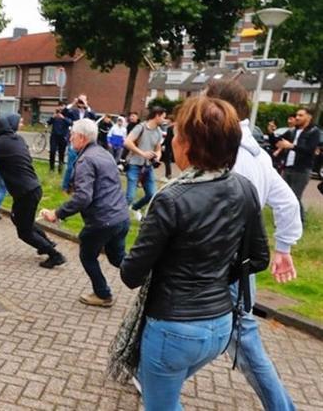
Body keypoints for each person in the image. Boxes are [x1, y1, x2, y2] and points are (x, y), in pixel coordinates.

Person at [119, 95, 269, 410]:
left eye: (176, 135)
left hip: (174, 329)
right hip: (220, 326)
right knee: (163, 394)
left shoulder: (171, 198)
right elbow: (259, 258)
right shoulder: (244, 187)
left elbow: (131, 275)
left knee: (160, 403)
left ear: (187, 145)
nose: (172, 140)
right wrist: (214, 274)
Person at [206, 80, 301, 411]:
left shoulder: (229, 151)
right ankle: (153, 374)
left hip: (221, 263)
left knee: (242, 340)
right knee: (215, 331)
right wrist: (284, 248)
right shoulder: (257, 153)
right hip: (241, 264)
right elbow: (288, 203)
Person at [40, 119, 130, 306]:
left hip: (102, 220)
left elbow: (83, 197)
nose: (69, 138)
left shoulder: (85, 160)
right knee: (118, 258)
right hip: (120, 216)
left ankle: (103, 295)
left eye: (72, 135)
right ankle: (151, 279)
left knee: (87, 255)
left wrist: (57, 213)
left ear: (81, 137)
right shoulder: (104, 153)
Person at [0, 114, 66, 268]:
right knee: (21, 221)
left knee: (24, 232)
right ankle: (46, 243)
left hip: (25, 193)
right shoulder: (17, 139)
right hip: (33, 189)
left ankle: (55, 255)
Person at [276, 107, 321, 224]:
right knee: (285, 195)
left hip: (302, 169)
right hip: (288, 167)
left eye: (301, 115)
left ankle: (300, 221)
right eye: (297, 115)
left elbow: (310, 150)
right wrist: (272, 133)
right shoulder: (293, 131)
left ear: (309, 117)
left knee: (295, 196)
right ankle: (285, 220)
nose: (297, 117)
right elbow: (278, 141)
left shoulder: (314, 132)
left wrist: (292, 146)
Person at [123, 106, 165, 221]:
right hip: (134, 165)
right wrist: (142, 153)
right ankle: (117, 217)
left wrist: (157, 157)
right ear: (156, 116)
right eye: (163, 117)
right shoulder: (140, 127)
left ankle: (136, 208)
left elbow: (158, 149)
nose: (164, 120)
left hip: (148, 167)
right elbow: (127, 142)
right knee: (130, 196)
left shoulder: (158, 132)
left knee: (152, 195)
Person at [46, 105, 72, 173]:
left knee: (61, 153)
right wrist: (53, 117)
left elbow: (70, 123)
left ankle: (60, 169)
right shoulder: (55, 115)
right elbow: (48, 122)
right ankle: (51, 168)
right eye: (59, 107)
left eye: (62, 107)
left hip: (63, 137)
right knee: (52, 151)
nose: (60, 109)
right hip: (54, 136)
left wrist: (63, 118)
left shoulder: (67, 115)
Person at [161, 116, 174, 181]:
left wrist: (162, 145)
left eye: (168, 119)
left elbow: (167, 139)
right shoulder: (174, 128)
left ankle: (168, 175)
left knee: (167, 161)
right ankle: (168, 175)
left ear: (170, 120)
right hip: (172, 146)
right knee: (168, 161)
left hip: (168, 147)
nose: (166, 120)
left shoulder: (170, 128)